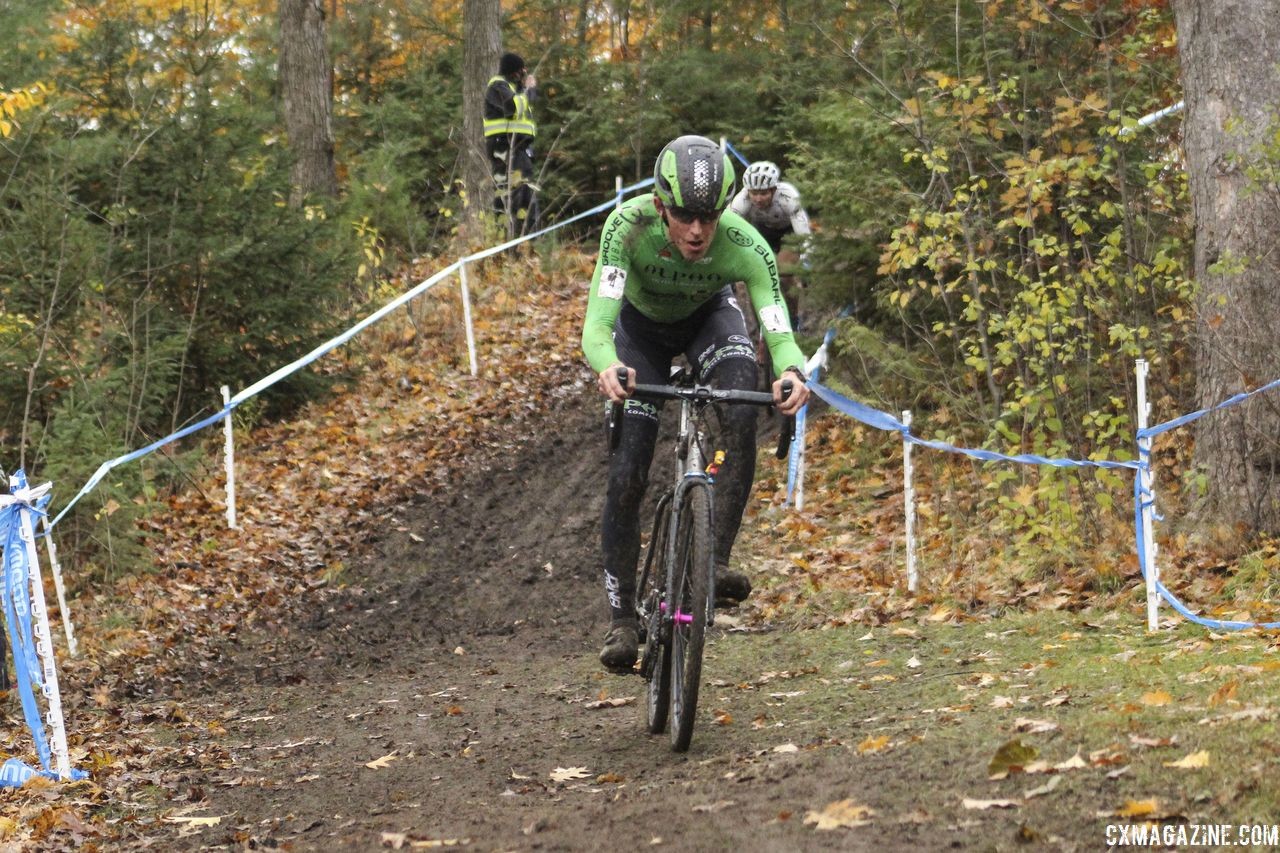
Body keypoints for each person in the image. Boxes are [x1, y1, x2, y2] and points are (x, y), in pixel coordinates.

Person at [581, 135, 811, 672]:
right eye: (684, 216)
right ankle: (621, 620)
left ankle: (717, 561)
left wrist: (792, 371)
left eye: (707, 217)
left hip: (709, 320)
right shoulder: (627, 226)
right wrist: (606, 364)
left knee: (740, 401)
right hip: (639, 335)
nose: (697, 231)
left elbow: (777, 324)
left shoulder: (745, 243)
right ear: (661, 205)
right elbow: (598, 322)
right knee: (630, 468)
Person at [730, 161, 811, 330]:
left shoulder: (788, 197)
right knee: (756, 277)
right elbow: (729, 229)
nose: (758, 199)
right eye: (754, 193)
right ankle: (761, 326)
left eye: (764, 193)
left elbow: (804, 234)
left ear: (774, 190)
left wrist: (805, 263)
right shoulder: (742, 200)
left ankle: (793, 318)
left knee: (784, 275)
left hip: (788, 234)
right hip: (762, 234)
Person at [483, 52, 539, 235]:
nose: (524, 73)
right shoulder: (498, 86)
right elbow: (513, 108)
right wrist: (529, 90)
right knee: (513, 197)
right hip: (505, 149)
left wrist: (525, 90)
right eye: (521, 70)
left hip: (518, 149)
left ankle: (526, 243)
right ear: (514, 71)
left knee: (524, 197)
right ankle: (511, 243)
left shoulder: (513, 88)